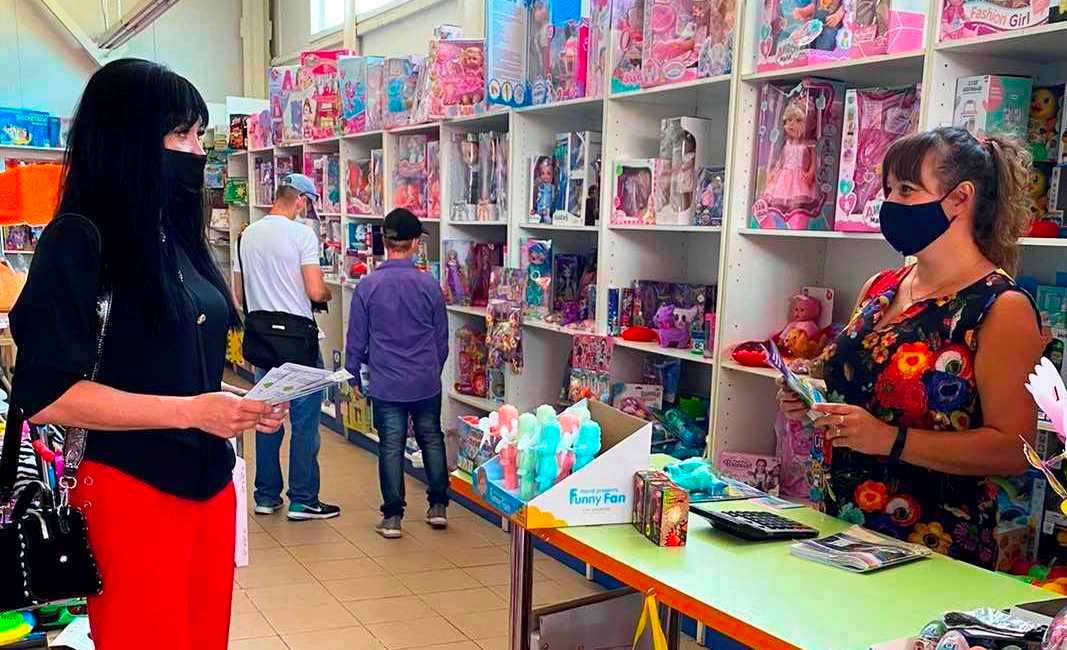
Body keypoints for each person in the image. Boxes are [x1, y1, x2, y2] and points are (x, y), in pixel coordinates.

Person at [9, 59, 287, 649]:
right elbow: (47, 394)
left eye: (199, 135)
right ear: (130, 139)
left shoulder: (178, 237)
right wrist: (191, 412)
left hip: (210, 486)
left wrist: (235, 403)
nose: (197, 152)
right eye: (181, 135)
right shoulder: (80, 239)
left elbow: (167, 364)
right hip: (130, 491)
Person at [777, 127, 1042, 569]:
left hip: (931, 550)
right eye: (888, 190)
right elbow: (859, 388)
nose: (890, 203)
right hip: (838, 528)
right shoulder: (880, 287)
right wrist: (810, 398)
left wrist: (890, 440)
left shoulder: (1000, 307)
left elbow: (1015, 449)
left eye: (906, 189)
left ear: (959, 199)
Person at [233, 173, 340, 521]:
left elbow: (238, 295)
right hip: (298, 341)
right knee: (305, 420)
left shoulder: (247, 235)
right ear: (301, 201)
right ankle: (303, 499)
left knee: (267, 416)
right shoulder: (302, 234)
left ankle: (266, 496)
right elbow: (314, 290)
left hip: (262, 340)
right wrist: (326, 294)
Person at [345, 208, 450, 538]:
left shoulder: (368, 286)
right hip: (425, 380)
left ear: (384, 240)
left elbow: (356, 338)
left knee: (390, 445)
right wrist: (432, 370)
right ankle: (438, 506)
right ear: (416, 243)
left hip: (386, 381)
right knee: (431, 437)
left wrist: (353, 374)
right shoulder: (429, 286)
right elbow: (441, 339)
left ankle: (392, 517)